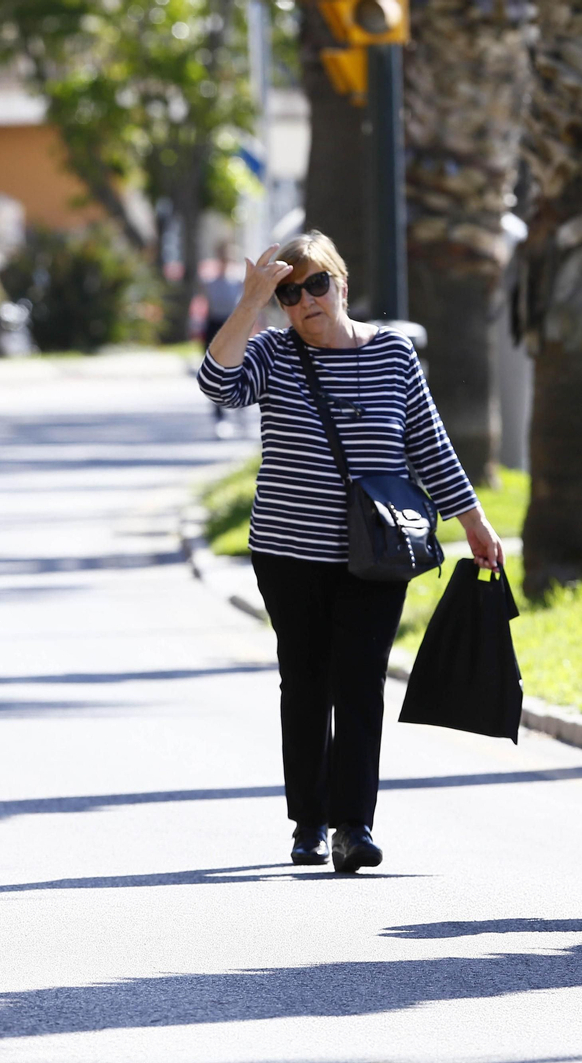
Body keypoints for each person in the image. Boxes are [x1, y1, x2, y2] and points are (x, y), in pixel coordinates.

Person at [198, 231, 504, 873]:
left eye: (316, 284)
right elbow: (217, 383)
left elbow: (429, 442)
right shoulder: (273, 353)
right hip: (288, 551)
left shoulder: (392, 353)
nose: (305, 301)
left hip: (379, 549)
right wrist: (250, 302)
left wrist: (473, 521)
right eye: (289, 294)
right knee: (306, 679)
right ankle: (308, 822)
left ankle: (353, 826)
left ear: (340, 282)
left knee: (361, 681)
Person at [202, 245, 246, 438]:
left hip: (233, 326)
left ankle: (240, 412)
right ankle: (220, 417)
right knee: (215, 374)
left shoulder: (238, 279)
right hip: (214, 327)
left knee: (238, 371)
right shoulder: (209, 282)